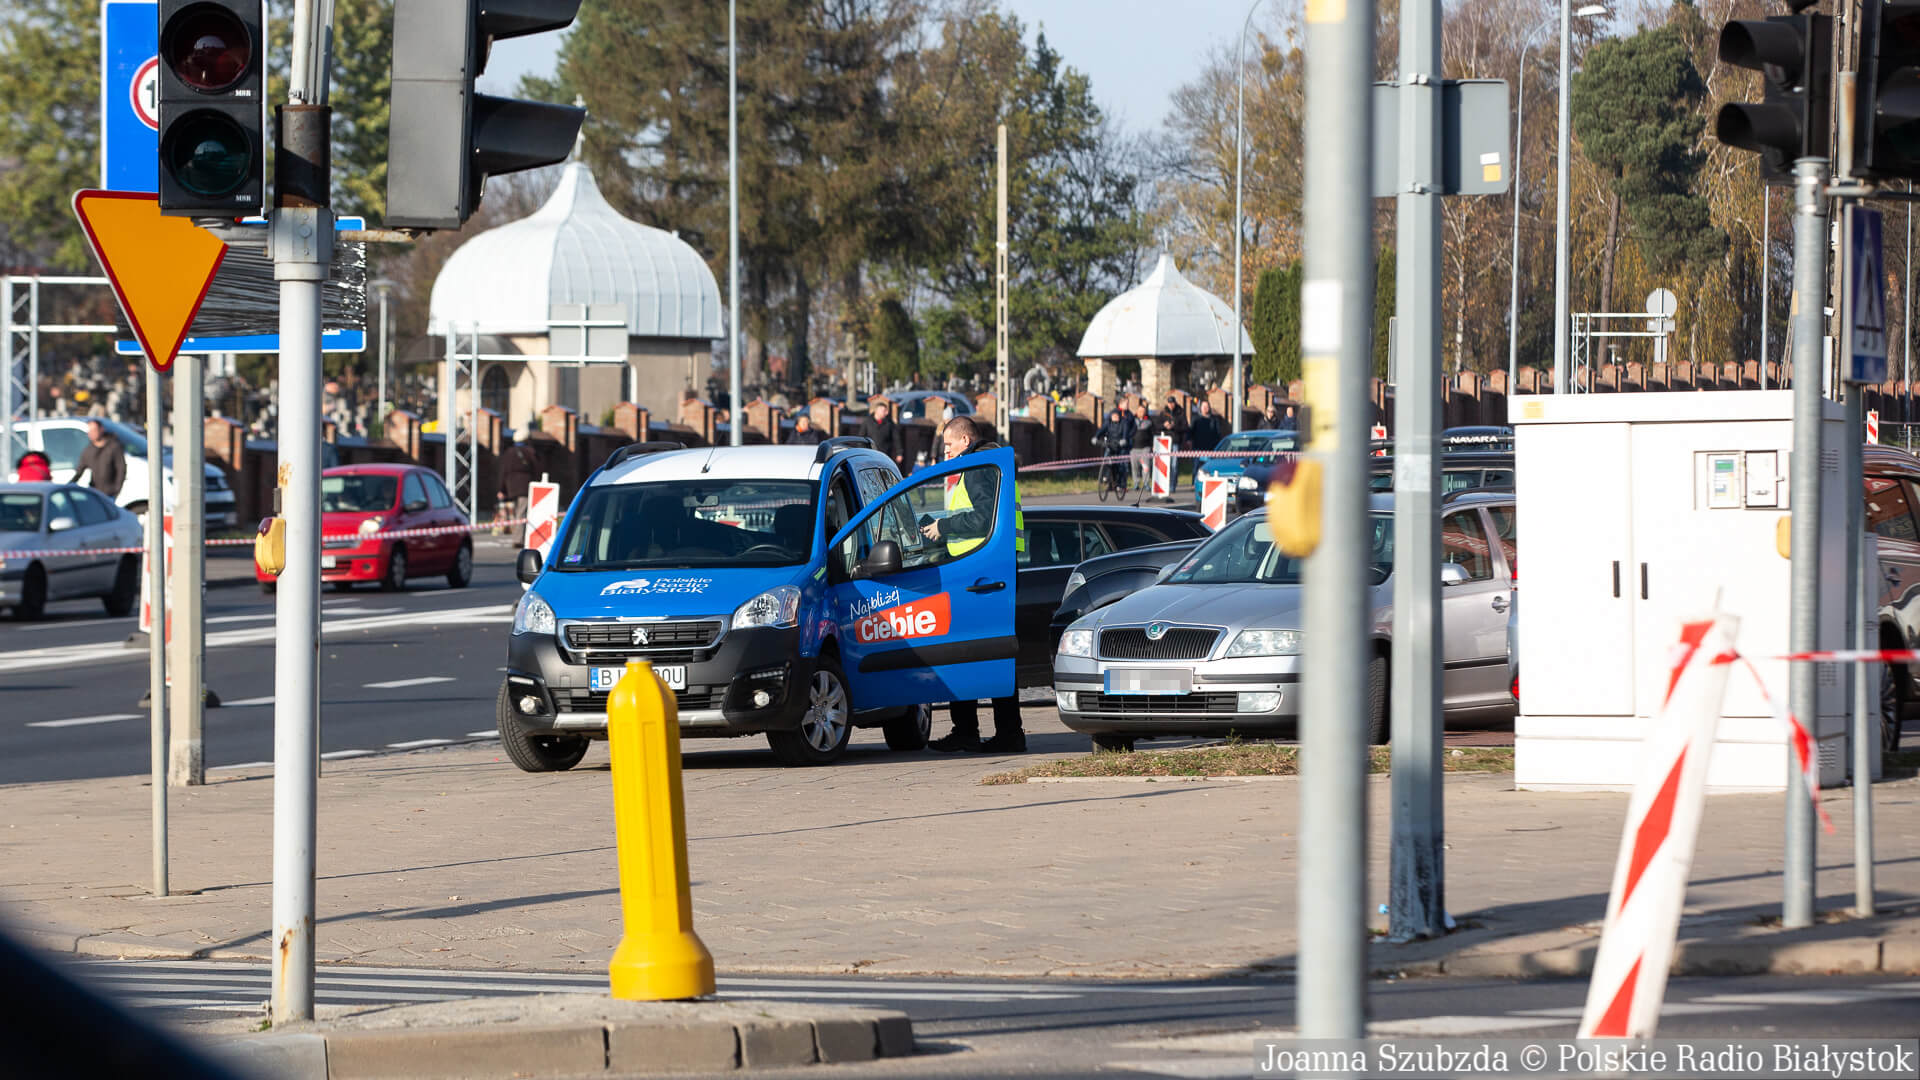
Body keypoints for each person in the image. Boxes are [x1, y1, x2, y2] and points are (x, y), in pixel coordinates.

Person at [924, 415, 1025, 753]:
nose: (946, 454)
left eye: (949, 447)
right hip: (990, 570)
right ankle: (986, 731)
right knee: (983, 653)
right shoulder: (990, 464)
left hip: (978, 575)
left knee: (972, 653)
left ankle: (993, 732)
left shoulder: (979, 468)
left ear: (965, 441)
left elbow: (983, 518)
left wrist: (945, 527)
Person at [498, 432, 539, 536]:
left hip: (511, 487)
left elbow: (504, 472)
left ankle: (518, 535)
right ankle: (518, 538)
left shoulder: (508, 452)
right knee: (521, 512)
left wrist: (501, 489)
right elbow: (537, 469)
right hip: (525, 486)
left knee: (517, 512)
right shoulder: (530, 452)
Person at [77, 419, 125, 498]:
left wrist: (116, 489)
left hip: (110, 493)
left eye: (94, 430)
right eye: (90, 431)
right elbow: (79, 471)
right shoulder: (88, 450)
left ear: (101, 429)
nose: (91, 434)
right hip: (95, 493)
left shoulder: (113, 446)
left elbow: (121, 469)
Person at [1096, 407, 1134, 490]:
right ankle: (1105, 478)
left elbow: (1125, 432)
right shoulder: (1108, 423)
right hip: (1110, 444)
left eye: (1116, 415)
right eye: (1113, 415)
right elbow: (1101, 430)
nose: (1115, 417)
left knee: (1120, 465)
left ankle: (1121, 483)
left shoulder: (1124, 423)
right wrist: (1096, 437)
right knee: (1106, 460)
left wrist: (1124, 440)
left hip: (1120, 446)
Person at [868, 399, 904, 471]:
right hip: (870, 455)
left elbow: (896, 438)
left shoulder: (889, 423)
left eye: (887, 411)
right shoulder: (867, 422)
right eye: (884, 411)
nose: (886, 413)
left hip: (885, 455)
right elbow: (861, 437)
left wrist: (899, 453)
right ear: (877, 411)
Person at [1129, 403, 1154, 491]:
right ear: (1137, 411)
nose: (1141, 413)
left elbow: (1152, 434)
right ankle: (1136, 483)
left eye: (1143, 411)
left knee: (1146, 466)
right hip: (1134, 448)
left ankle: (1146, 483)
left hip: (1145, 448)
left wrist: (1152, 445)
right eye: (1140, 411)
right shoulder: (1132, 421)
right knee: (1134, 467)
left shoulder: (1149, 421)